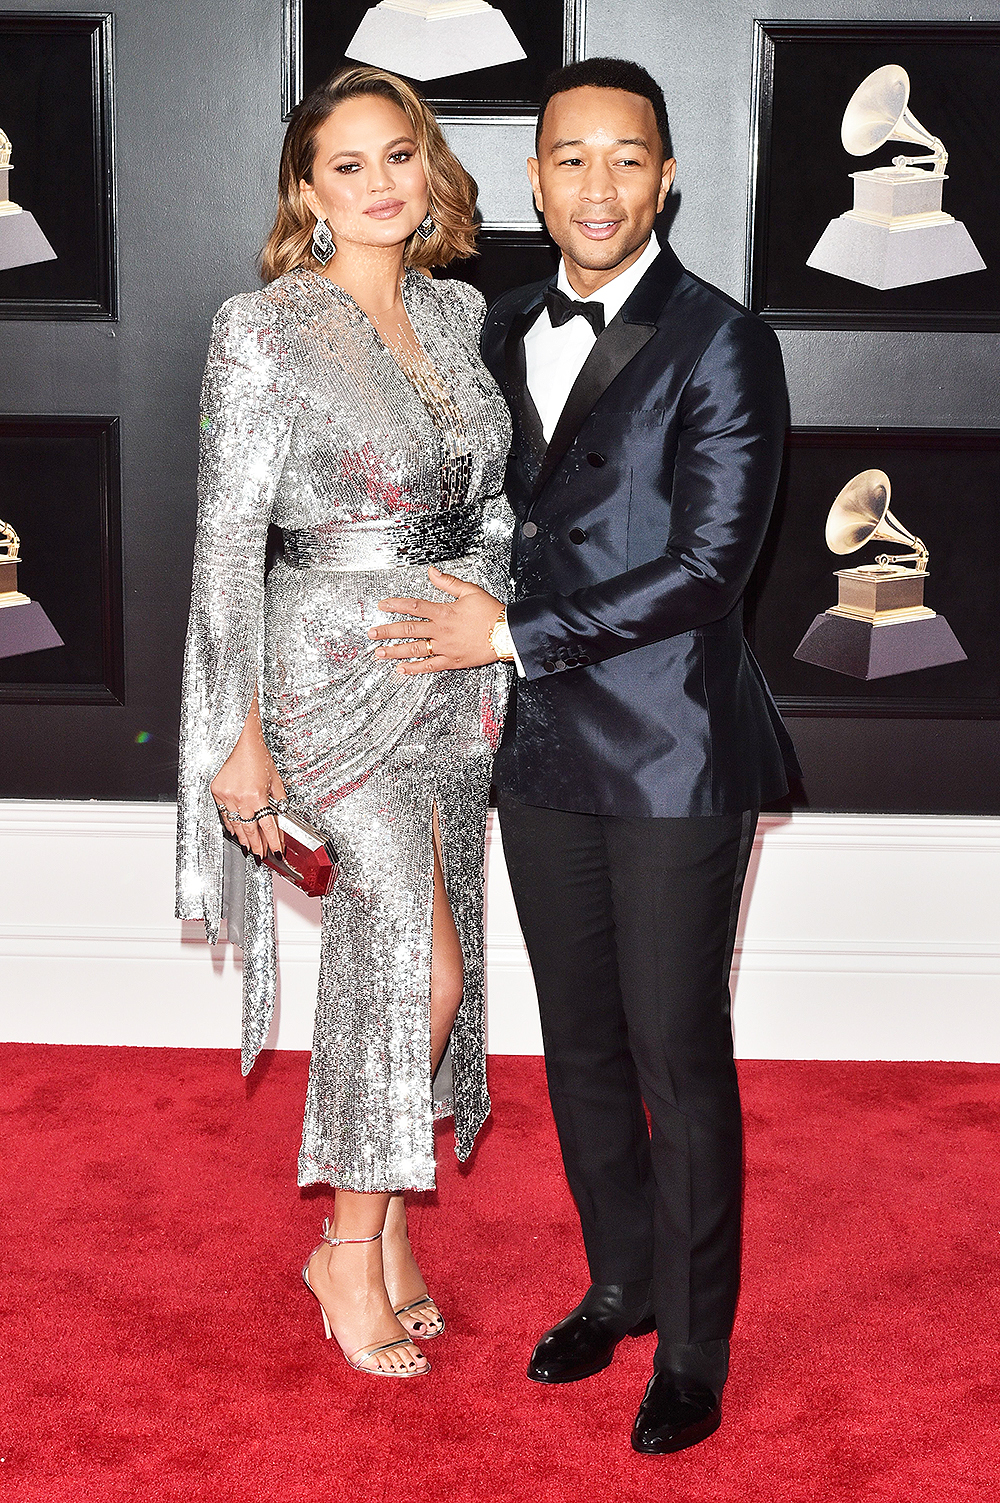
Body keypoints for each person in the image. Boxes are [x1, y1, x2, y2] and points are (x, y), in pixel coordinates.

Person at [368, 57, 799, 1445]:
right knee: (580, 1047)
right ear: (535, 176)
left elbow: (709, 567)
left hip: (673, 745)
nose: (598, 184)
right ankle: (618, 1285)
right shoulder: (494, 328)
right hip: (541, 749)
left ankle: (697, 1345)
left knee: (677, 1047)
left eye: (628, 157)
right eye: (571, 158)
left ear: (668, 175)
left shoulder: (725, 340)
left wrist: (505, 637)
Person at [175, 65, 513, 1378]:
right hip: (324, 670)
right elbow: (222, 544)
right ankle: (348, 1251)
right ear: (306, 194)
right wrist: (233, 738)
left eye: (399, 156)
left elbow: (490, 506)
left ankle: (379, 1228)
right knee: (408, 969)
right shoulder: (262, 328)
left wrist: (487, 608)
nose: (381, 184)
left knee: (446, 954)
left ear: (429, 171)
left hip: (452, 670)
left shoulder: (461, 309)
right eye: (348, 165)